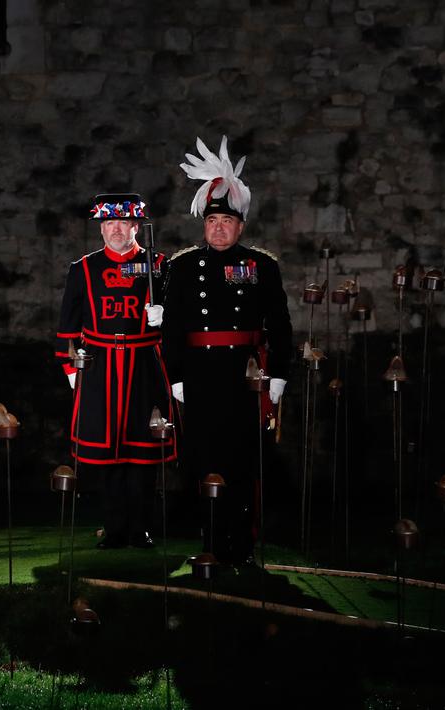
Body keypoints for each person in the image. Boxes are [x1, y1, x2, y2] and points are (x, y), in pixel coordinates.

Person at [162, 136, 293, 567]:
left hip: (245, 375)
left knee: (244, 461)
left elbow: (280, 324)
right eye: (212, 220)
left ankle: (243, 543)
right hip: (199, 376)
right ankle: (211, 540)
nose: (218, 227)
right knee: (203, 458)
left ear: (241, 226)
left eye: (227, 221)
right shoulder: (181, 267)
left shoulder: (262, 266)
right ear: (204, 223)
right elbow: (174, 328)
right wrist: (176, 376)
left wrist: (278, 377)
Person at [56, 193, 175, 549]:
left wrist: (164, 316)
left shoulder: (158, 265)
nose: (115, 229)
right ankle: (114, 528)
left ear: (136, 226)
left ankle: (141, 529)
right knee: (106, 454)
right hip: (100, 366)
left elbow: (180, 315)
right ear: (101, 229)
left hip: (142, 365)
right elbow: (67, 325)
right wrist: (70, 367)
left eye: (123, 223)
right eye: (109, 223)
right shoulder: (83, 268)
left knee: (142, 450)